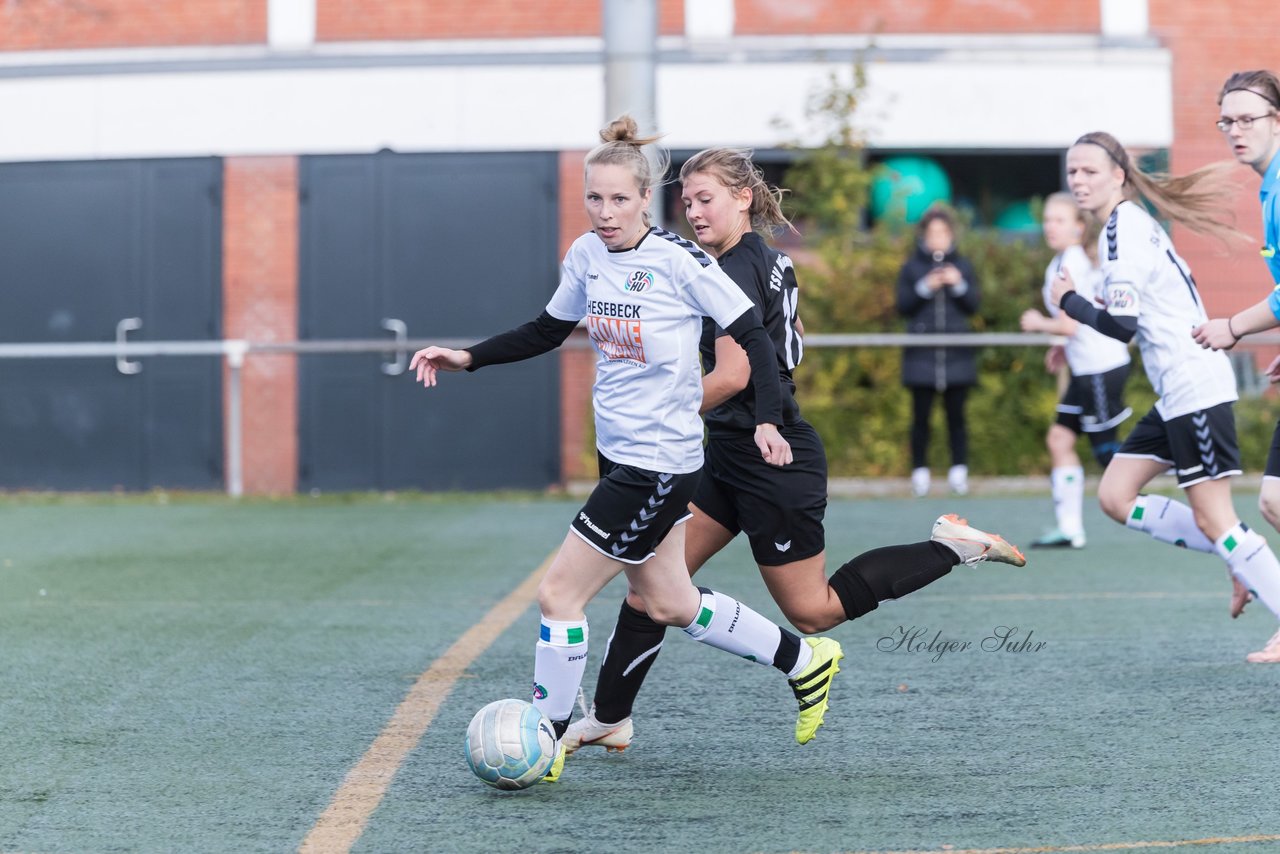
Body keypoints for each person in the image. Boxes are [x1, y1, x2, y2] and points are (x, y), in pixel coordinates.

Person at [410, 116, 851, 783]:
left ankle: (547, 739)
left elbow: (755, 339)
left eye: (619, 199)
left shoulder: (681, 263)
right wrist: (467, 357)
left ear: (646, 199)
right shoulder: (587, 256)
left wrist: (765, 420)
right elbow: (546, 330)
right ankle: (802, 659)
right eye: (594, 198)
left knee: (558, 595)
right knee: (670, 600)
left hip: (658, 465)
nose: (605, 212)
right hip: (618, 454)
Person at [562, 147, 1025, 756]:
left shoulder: (733, 269)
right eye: (687, 202)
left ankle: (950, 547)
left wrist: (649, 414)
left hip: (771, 455)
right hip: (728, 452)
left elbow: (730, 376)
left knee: (814, 612)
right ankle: (610, 718)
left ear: (744, 199)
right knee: (653, 587)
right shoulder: (756, 261)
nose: (693, 213)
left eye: (707, 200)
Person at [1051, 130, 1280, 664]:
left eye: (1089, 171)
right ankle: (1237, 553)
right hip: (1176, 393)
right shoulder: (1126, 224)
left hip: (1194, 386)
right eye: (1072, 172)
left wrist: (1070, 302)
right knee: (1115, 495)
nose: (1078, 180)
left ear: (1119, 176)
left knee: (1217, 518)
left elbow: (1122, 324)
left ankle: (1250, 565)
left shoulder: (1122, 231)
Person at [1190, 70, 1280, 662]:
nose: (1235, 131)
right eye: (1227, 120)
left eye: (1248, 118)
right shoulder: (1269, 187)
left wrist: (1233, 327)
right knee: (1274, 500)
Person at [1020, 193, 1132, 548]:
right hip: (1086, 368)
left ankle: (1174, 496)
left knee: (1108, 457)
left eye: (1059, 220)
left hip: (1102, 366)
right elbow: (1073, 325)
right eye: (1048, 219)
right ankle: (1070, 529)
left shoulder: (1070, 263)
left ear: (1078, 227)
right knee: (1059, 439)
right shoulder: (1064, 261)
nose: (1049, 226)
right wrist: (1061, 347)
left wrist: (1039, 323)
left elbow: (1069, 324)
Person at [896, 207, 981, 497]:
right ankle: (920, 473)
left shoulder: (963, 265)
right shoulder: (911, 267)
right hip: (921, 359)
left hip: (957, 357)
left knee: (957, 418)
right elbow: (902, 305)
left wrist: (958, 284)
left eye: (943, 233)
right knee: (921, 419)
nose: (938, 239)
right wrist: (925, 287)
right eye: (932, 234)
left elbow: (974, 304)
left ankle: (959, 473)